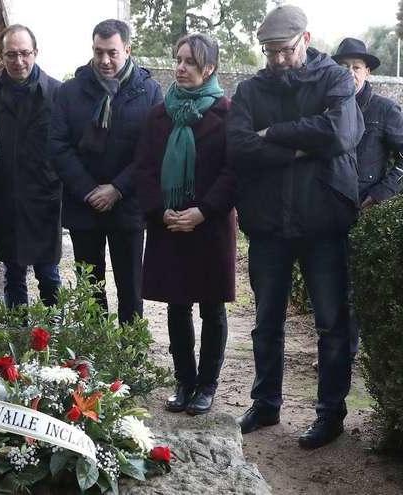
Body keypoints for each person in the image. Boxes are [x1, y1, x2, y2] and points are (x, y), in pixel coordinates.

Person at [227, 5, 363, 450]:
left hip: (324, 221)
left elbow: (340, 134)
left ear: (306, 39)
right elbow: (240, 147)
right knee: (266, 322)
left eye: (284, 50)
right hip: (268, 224)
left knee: (331, 323)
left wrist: (274, 133)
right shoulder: (250, 90)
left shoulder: (336, 80)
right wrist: (299, 148)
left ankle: (330, 413)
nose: (278, 60)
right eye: (269, 52)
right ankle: (265, 403)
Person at [135, 34, 235, 416]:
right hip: (169, 225)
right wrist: (161, 211)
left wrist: (203, 211)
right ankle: (184, 380)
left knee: (212, 307)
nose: (180, 67)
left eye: (190, 62)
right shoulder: (159, 115)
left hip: (209, 227)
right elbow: (144, 168)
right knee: (177, 306)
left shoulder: (227, 113)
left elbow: (232, 171)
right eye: (178, 59)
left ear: (209, 68)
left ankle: (207, 384)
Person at [49, 19, 162, 324]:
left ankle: (129, 353)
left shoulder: (149, 92)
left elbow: (152, 150)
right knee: (90, 289)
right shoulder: (70, 91)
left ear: (127, 49)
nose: (104, 60)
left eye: (112, 53)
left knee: (131, 287)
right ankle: (94, 356)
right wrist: (88, 189)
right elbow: (58, 145)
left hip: (128, 204)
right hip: (83, 203)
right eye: (98, 52)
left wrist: (118, 188)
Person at [0, 24, 62, 308]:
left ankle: (54, 340)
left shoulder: (56, 93)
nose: (19, 62)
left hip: (45, 202)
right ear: (1, 56)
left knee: (49, 276)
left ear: (35, 52)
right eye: (11, 55)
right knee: (13, 276)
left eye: (25, 54)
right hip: (6, 200)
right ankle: (17, 341)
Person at [332, 38, 403, 207]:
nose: (350, 72)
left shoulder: (385, 109)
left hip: (363, 208)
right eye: (343, 66)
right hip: (326, 209)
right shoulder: (326, 107)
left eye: (356, 67)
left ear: (367, 72)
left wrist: (379, 195)